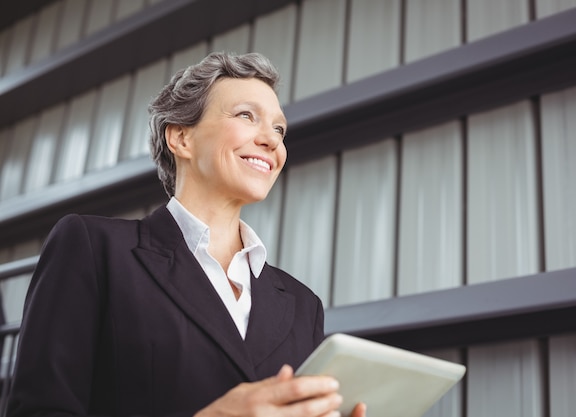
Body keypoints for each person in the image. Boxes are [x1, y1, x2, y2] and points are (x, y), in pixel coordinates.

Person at [7, 52, 366, 417]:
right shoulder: (93, 248)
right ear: (181, 137)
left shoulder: (304, 306)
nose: (272, 141)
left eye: (279, 129)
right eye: (246, 115)